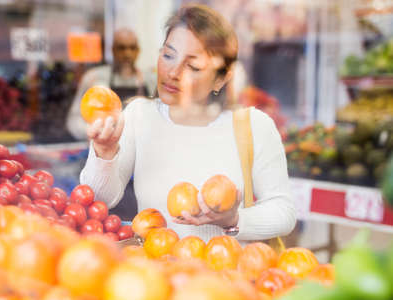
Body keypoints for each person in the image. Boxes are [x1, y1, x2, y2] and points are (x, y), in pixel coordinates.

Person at [80, 4, 296, 242]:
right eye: (169, 55)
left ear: (220, 79)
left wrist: (234, 220)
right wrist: (104, 153)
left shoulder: (254, 127)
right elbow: (101, 200)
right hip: (156, 274)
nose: (173, 72)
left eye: (193, 66)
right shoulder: (139, 116)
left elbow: (283, 212)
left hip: (226, 273)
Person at [66, 28, 154, 141]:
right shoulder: (93, 77)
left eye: (132, 48)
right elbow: (74, 121)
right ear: (113, 50)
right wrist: (94, 132)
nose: (127, 53)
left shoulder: (149, 80)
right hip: (104, 148)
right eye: (121, 48)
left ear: (138, 51)